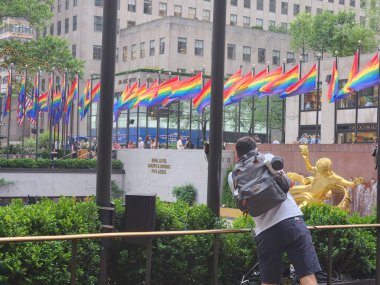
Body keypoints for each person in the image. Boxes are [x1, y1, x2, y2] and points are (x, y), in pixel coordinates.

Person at [229, 137, 320, 285]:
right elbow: (286, 184)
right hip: (291, 221)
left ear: (236, 154)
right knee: (307, 276)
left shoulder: (232, 176)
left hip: (265, 231)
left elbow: (243, 206)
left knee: (269, 282)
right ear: (256, 148)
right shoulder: (267, 158)